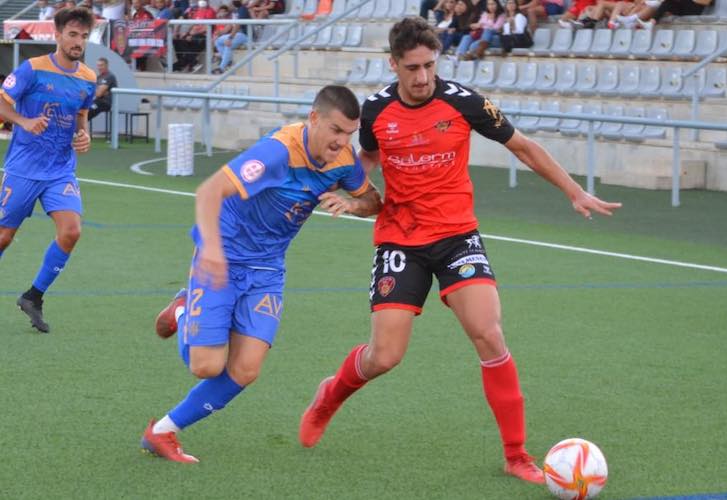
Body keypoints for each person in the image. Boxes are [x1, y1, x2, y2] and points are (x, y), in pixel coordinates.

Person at [298, 17, 621, 486]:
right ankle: (330, 395)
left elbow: (523, 147)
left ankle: (516, 455)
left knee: (489, 335)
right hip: (399, 239)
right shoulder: (374, 111)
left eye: (430, 65)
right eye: (412, 67)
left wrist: (574, 190)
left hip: (456, 237)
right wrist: (350, 195)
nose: (423, 76)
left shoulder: (465, 102)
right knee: (384, 356)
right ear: (393, 64)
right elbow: (363, 160)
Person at [140, 85, 382, 463]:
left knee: (246, 370)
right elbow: (208, 192)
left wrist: (351, 203)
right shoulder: (277, 152)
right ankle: (182, 310)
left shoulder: (344, 161)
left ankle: (162, 431)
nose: (341, 142)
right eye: (335, 130)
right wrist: (213, 252)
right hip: (223, 254)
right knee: (206, 367)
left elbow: (374, 201)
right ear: (314, 118)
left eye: (349, 134)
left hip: (268, 268)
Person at [0, 7, 96, 333]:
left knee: (72, 231)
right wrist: (24, 121)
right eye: (72, 34)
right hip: (24, 168)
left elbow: (81, 116)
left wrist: (84, 136)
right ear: (57, 35)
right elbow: (2, 102)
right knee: (3, 237)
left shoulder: (88, 78)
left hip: (60, 170)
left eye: (83, 36)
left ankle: (34, 296)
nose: (78, 41)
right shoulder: (32, 69)